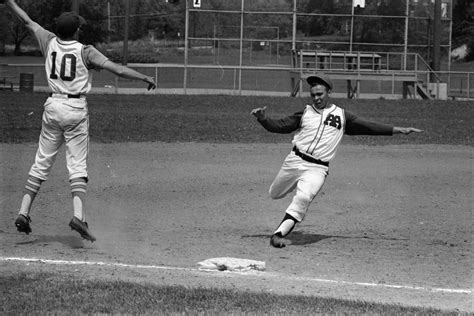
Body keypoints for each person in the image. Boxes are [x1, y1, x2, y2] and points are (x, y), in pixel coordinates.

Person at [6, 0, 156, 242]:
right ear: (76, 31)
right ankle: (78, 216)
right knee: (77, 166)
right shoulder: (86, 51)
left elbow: (27, 21)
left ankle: (23, 212)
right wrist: (144, 77)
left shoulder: (49, 40)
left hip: (53, 106)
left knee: (41, 162)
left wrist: (9, 2)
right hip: (75, 109)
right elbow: (116, 69)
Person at [251, 73, 423, 248]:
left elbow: (368, 126)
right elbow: (280, 126)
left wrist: (398, 130)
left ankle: (278, 234)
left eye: (320, 94)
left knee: (303, 197)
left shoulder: (341, 116)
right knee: (274, 193)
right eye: (313, 95)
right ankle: (296, 183)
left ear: (328, 93)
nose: (316, 98)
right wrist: (263, 118)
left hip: (317, 168)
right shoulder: (305, 112)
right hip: (294, 162)